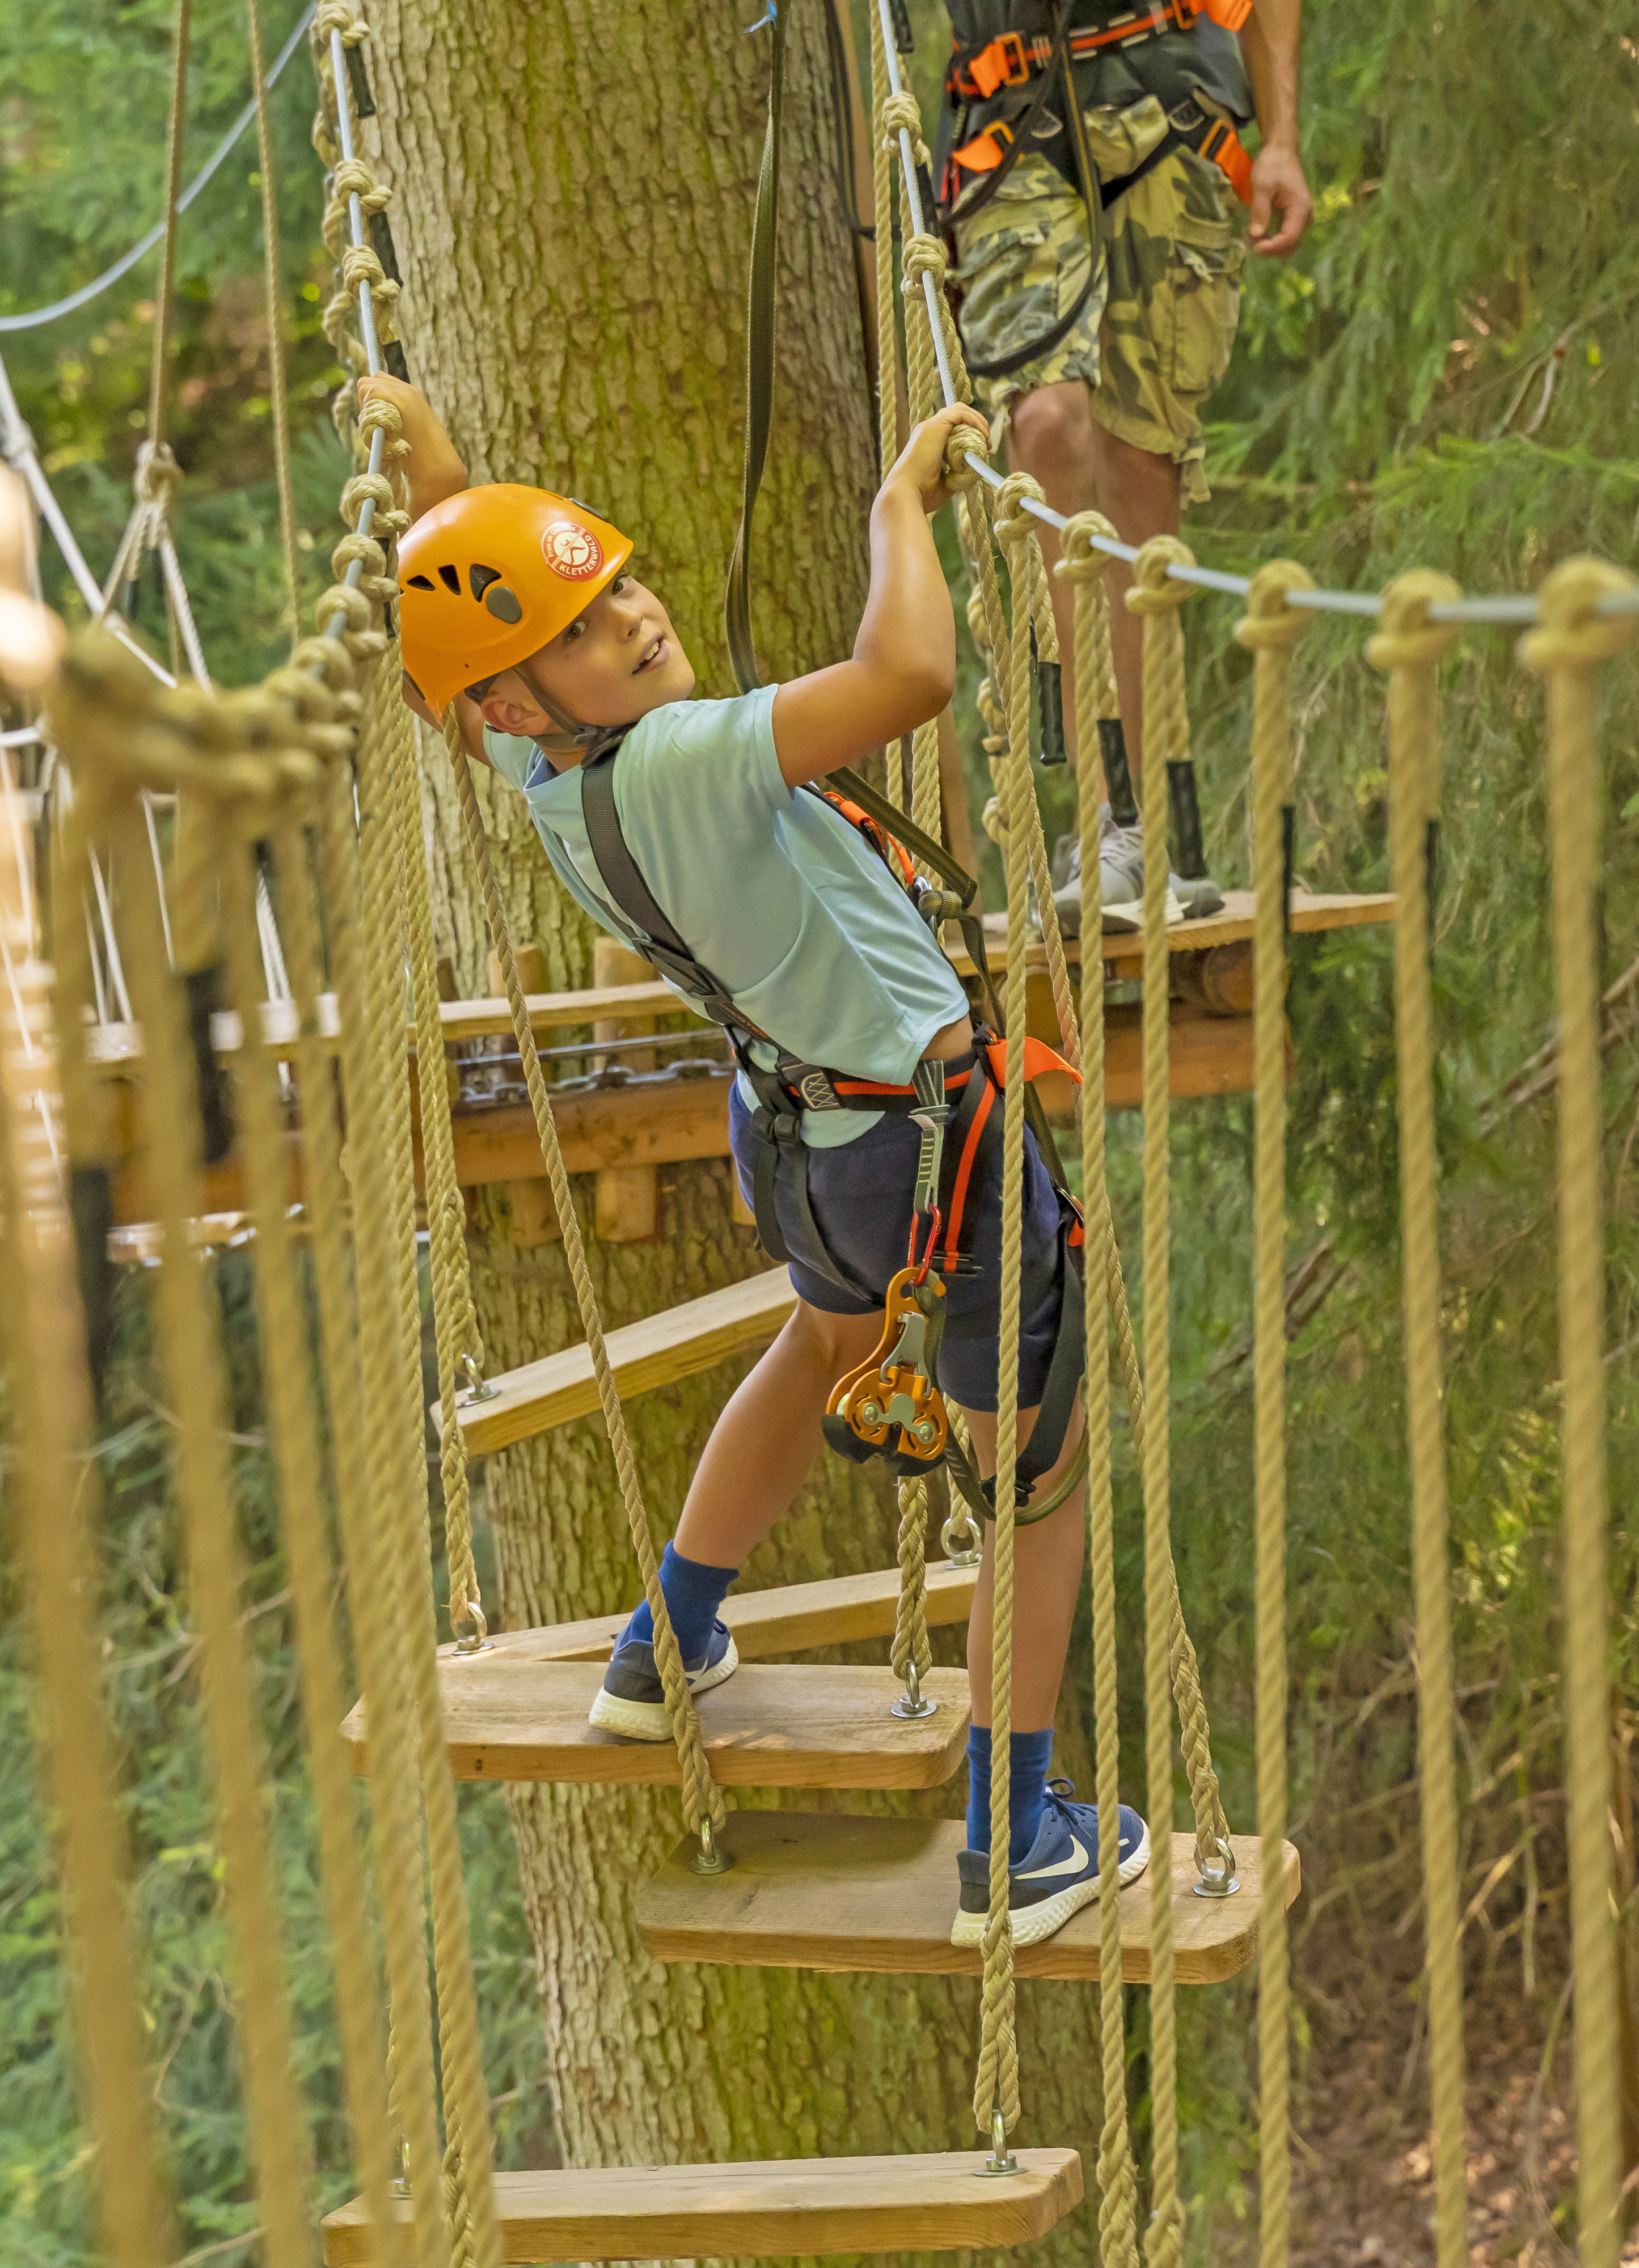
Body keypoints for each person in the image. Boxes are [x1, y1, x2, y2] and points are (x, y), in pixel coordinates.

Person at [362, 370, 1140, 1951]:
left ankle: (667, 1643)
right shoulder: (694, 756)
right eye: (584, 632)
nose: (636, 621)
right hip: (935, 1152)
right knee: (1034, 1490)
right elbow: (909, 670)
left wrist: (444, 489)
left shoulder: (558, 783)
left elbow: (460, 702)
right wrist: (895, 506)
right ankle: (1018, 1839)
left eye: (620, 588)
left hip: (802, 1141)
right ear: (522, 700)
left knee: (826, 1342)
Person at [935, 0, 1311, 929]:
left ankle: (1149, 825)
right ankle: (1108, 820)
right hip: (1009, 119)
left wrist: (1283, 138)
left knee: (1144, 466)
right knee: (1047, 429)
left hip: (1174, 97)